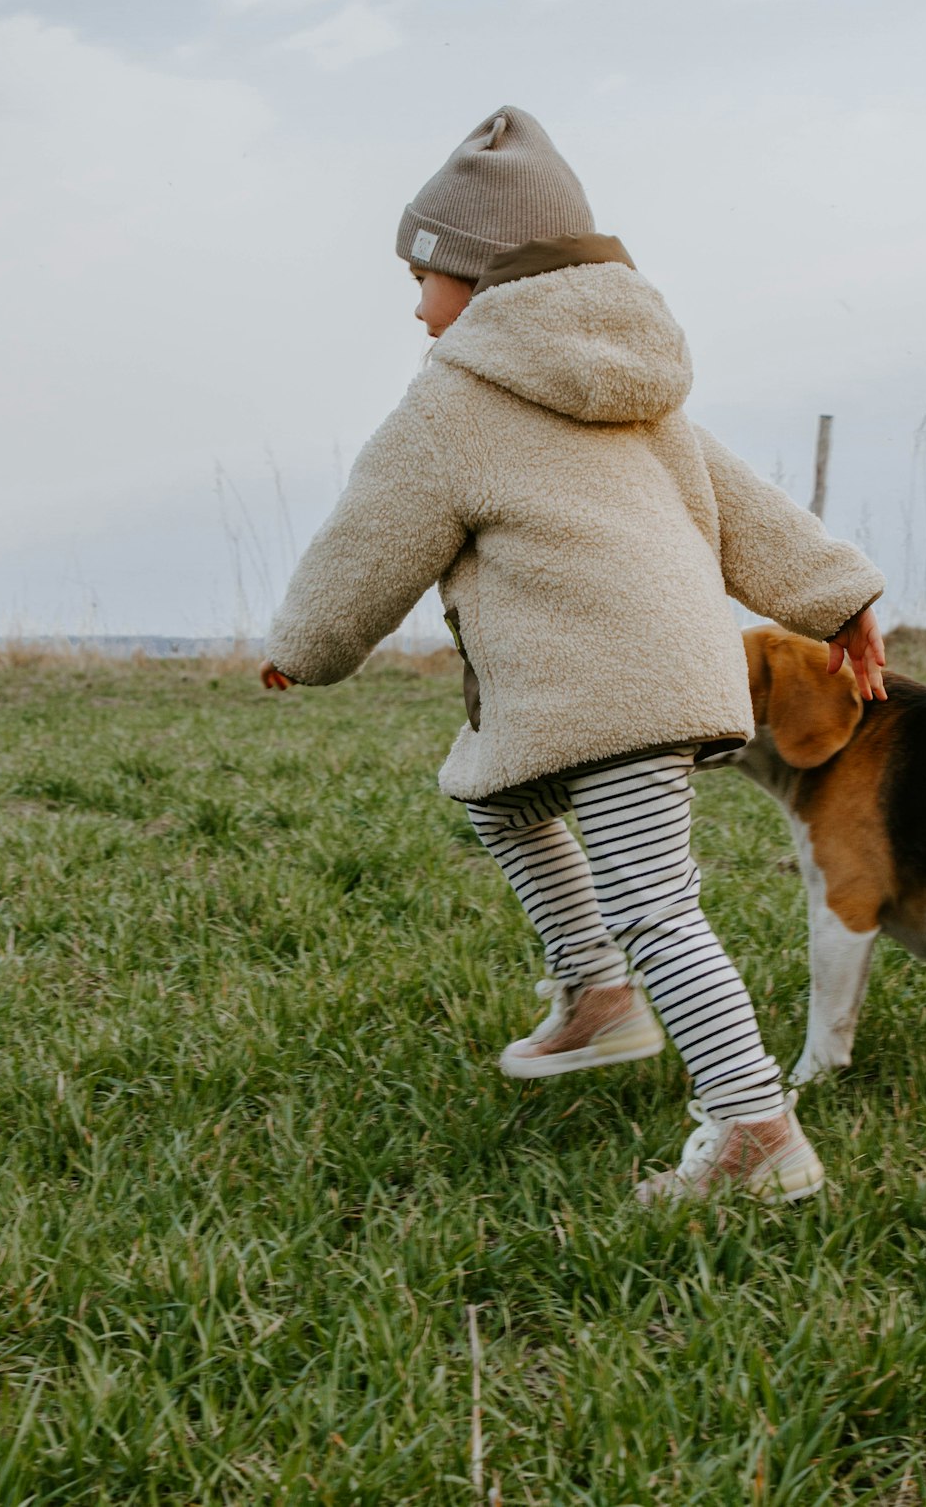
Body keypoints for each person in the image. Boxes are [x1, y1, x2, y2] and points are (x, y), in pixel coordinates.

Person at [260, 106, 887, 1206]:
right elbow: (747, 508)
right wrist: (838, 596)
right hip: (658, 679)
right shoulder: (643, 388)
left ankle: (754, 1131)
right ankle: (598, 994)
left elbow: (370, 538)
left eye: (426, 276)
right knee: (499, 799)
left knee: (656, 902)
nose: (416, 304)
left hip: (597, 692)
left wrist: (306, 648)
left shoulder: (450, 401)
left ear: (483, 278)